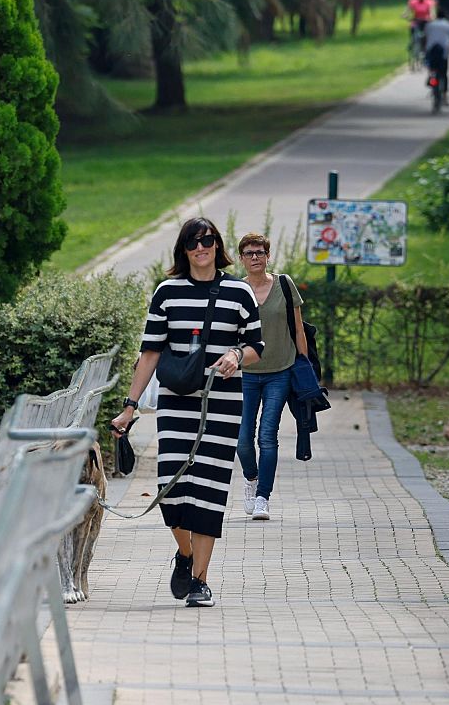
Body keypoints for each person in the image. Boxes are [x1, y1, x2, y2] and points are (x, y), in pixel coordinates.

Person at [110, 217, 262, 608]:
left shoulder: (239, 292)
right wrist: (129, 407)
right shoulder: (167, 293)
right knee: (172, 490)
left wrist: (234, 354)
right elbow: (150, 353)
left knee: (209, 491)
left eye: (208, 240)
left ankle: (200, 581)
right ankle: (185, 552)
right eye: (193, 242)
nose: (201, 247)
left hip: (224, 403)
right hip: (177, 402)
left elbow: (255, 346)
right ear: (183, 248)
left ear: (217, 245)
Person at [234, 233, 307, 521]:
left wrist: (305, 367)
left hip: (281, 370)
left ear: (268, 256)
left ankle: (263, 497)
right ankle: (251, 480)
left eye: (260, 252)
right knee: (242, 440)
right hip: (245, 373)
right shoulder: (236, 290)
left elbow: (298, 329)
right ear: (241, 258)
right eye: (249, 253)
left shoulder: (284, 285)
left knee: (267, 435)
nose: (255, 257)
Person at [423, 14, 449, 104]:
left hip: (431, 50)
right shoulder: (448, 24)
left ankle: (431, 79)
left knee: (432, 69)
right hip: (444, 52)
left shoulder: (429, 25)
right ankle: (445, 96)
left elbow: (425, 37)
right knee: (444, 74)